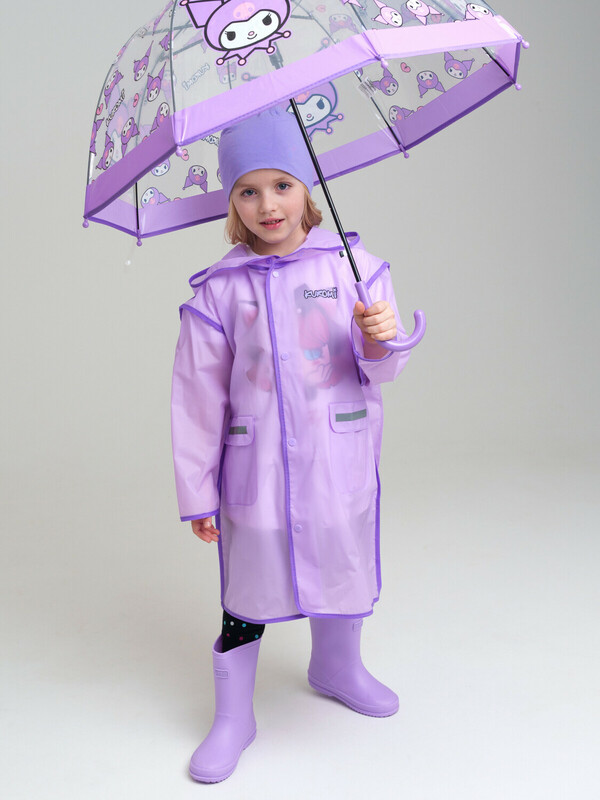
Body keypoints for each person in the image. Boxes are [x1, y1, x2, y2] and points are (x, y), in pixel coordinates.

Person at [170, 106, 412, 783]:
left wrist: (380, 337)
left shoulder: (355, 268)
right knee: (247, 583)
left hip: (337, 460)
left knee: (340, 555)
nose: (268, 205)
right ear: (231, 203)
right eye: (248, 191)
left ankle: (337, 664)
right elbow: (196, 397)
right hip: (256, 470)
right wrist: (197, 491)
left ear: (308, 187)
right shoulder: (219, 291)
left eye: (282, 185)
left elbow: (382, 368)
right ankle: (233, 714)